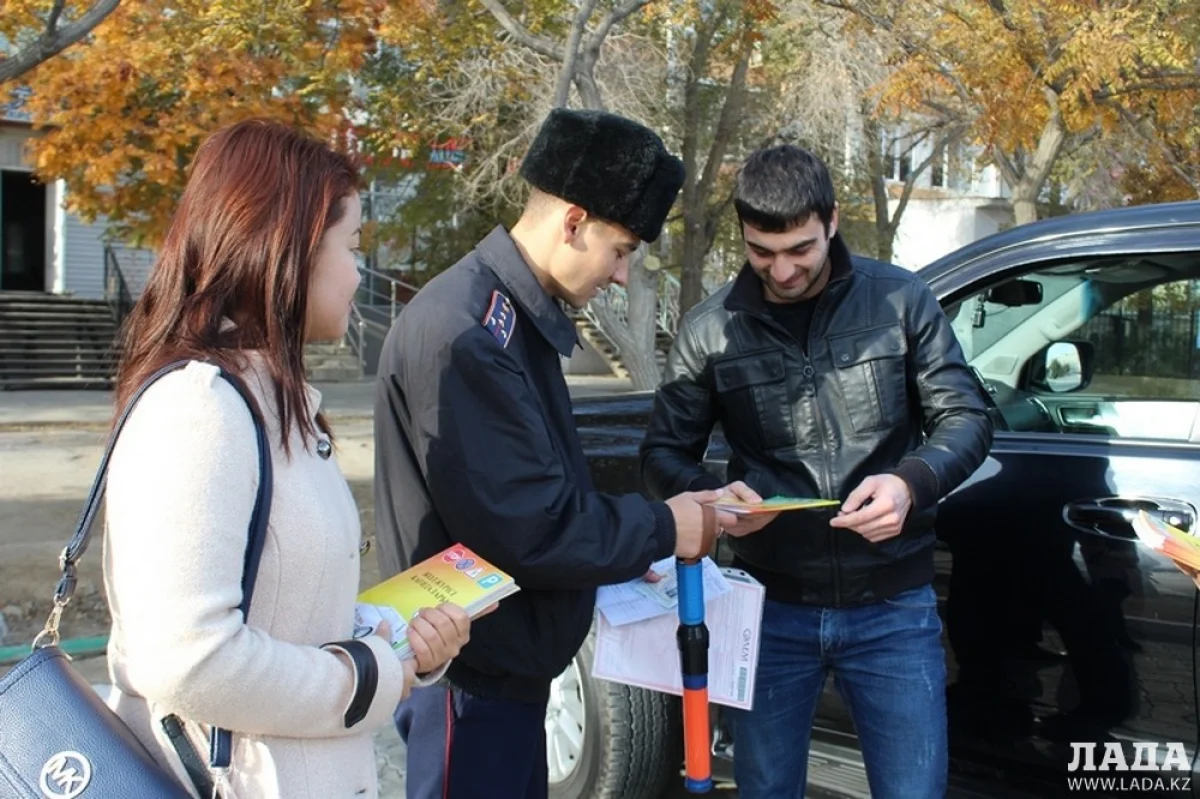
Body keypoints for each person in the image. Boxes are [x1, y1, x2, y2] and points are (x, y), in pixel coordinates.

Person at [374, 108, 736, 799]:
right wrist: (667, 526)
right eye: (621, 249)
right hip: (469, 682)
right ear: (572, 222)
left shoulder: (505, 317)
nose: (623, 275)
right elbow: (532, 526)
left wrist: (629, 559)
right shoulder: (469, 333)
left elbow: (536, 498)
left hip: (499, 672)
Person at [103, 119, 470, 798]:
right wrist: (371, 674)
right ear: (288, 249)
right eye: (352, 245)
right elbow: (186, 653)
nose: (361, 271)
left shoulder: (269, 401)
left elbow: (283, 610)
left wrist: (400, 645)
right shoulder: (200, 409)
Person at [639, 144, 993, 797]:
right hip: (769, 609)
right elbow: (662, 454)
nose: (782, 269)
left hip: (893, 607)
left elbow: (968, 418)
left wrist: (910, 482)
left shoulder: (901, 300)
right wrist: (711, 499)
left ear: (831, 220)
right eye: (761, 251)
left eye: (800, 248)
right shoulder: (709, 328)